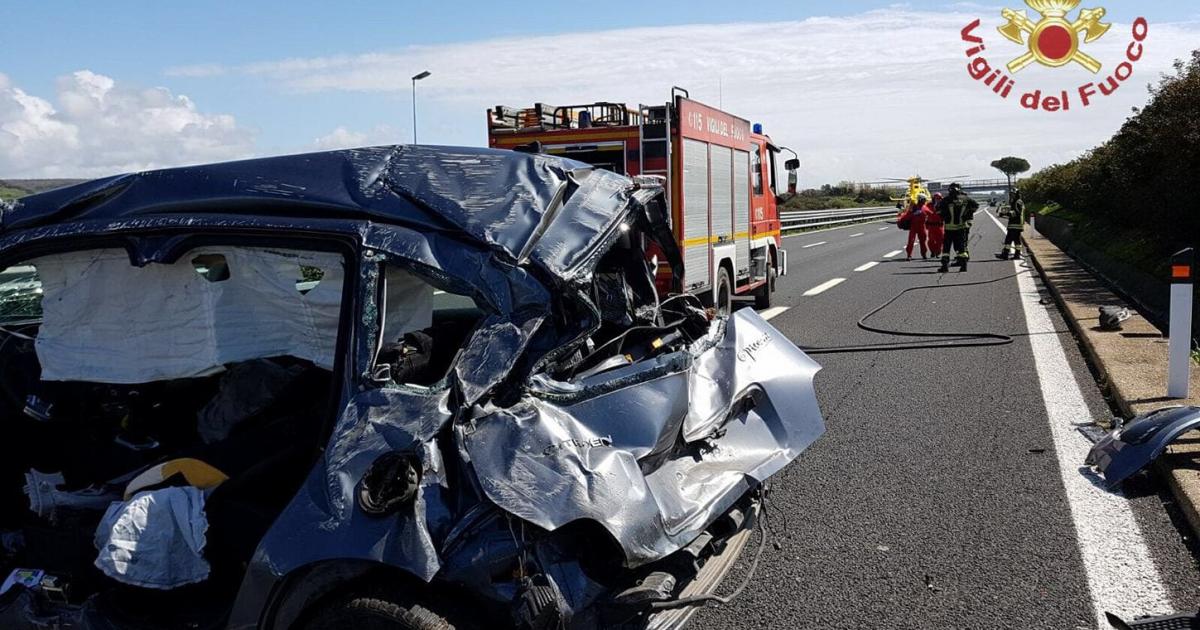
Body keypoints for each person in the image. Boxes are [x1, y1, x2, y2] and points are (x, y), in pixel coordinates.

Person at [937, 183, 979, 273]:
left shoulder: (946, 200)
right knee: (962, 247)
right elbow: (976, 205)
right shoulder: (965, 199)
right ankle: (963, 266)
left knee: (946, 248)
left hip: (949, 228)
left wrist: (944, 216)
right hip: (961, 228)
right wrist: (967, 214)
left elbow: (938, 210)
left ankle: (945, 266)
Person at [996, 189, 1028, 260]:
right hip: (1017, 224)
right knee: (1016, 240)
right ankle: (1016, 255)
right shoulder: (1019, 201)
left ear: (1016, 194)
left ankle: (1005, 254)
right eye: (1011, 194)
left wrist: (1005, 214)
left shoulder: (1017, 202)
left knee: (1008, 239)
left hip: (1014, 224)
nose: (1011, 195)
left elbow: (1016, 213)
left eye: (1013, 194)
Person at [905, 195, 930, 261]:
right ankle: (909, 255)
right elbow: (907, 216)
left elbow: (931, 214)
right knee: (911, 241)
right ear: (920, 199)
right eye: (924, 200)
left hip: (922, 226)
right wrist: (913, 214)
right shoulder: (913, 207)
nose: (925, 201)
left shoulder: (925, 207)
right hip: (914, 226)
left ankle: (924, 254)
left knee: (923, 241)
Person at [927, 192, 945, 258]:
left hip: (940, 225)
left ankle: (938, 252)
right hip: (931, 226)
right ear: (933, 198)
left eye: (939, 198)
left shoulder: (943, 205)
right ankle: (932, 251)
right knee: (931, 240)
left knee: (940, 240)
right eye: (936, 198)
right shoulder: (929, 205)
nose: (937, 199)